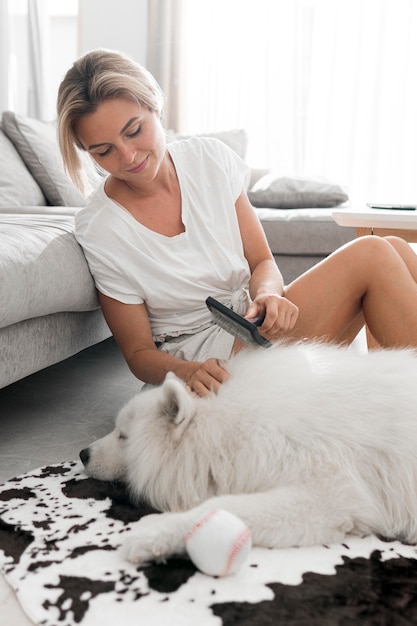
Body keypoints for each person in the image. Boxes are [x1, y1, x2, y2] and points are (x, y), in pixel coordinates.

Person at [57, 49, 417, 397]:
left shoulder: (209, 159)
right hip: (204, 366)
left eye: (134, 130)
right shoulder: (101, 226)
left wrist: (269, 293)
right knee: (373, 254)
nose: (128, 156)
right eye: (103, 151)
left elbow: (262, 262)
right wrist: (188, 373)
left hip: (253, 325)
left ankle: (396, 403)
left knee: (395, 248)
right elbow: (138, 355)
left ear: (155, 106)